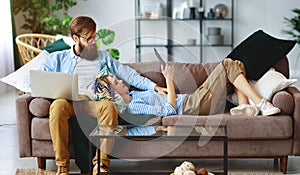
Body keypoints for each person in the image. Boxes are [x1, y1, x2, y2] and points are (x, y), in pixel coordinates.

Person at [39, 16, 167, 175]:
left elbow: (128, 75)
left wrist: (154, 87)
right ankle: (63, 166)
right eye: (89, 38)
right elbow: (38, 82)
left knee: (109, 106)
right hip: (68, 103)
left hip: (92, 103)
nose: (93, 41)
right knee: (57, 106)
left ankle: (101, 164)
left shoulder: (102, 57)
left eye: (95, 36)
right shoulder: (56, 59)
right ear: (75, 38)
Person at [102, 58, 281, 118]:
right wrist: (169, 81)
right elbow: (170, 111)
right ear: (112, 94)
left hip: (192, 99)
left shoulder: (134, 94)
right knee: (227, 64)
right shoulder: (132, 107)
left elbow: (162, 98)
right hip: (189, 106)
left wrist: (159, 89)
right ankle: (261, 103)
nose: (121, 81)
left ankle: (244, 107)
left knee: (237, 64)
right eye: (116, 82)